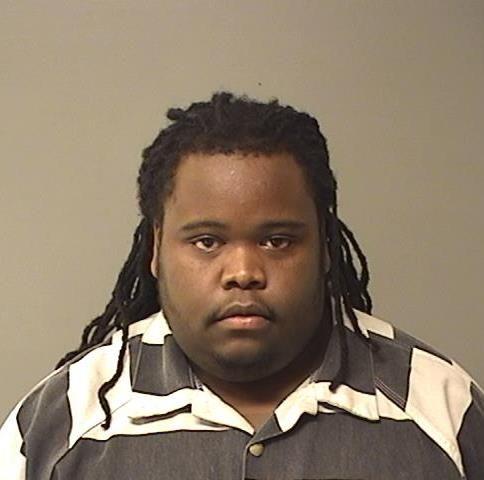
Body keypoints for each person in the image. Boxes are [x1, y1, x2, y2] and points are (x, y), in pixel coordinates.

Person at [0, 92, 482, 479]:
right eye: (207, 241)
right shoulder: (59, 426)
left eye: (277, 241)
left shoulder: (442, 408)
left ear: (325, 247)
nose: (244, 271)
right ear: (156, 249)